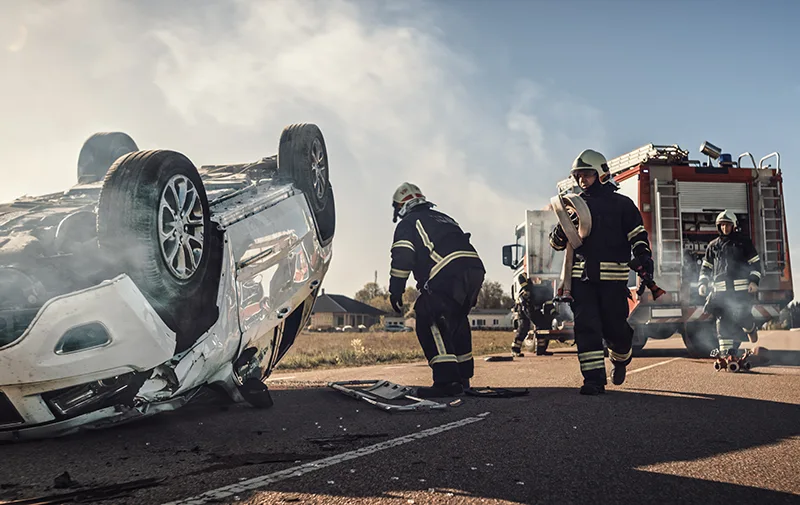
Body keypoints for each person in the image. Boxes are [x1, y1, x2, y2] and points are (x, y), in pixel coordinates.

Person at [548, 149, 653, 395]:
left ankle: (620, 359)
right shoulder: (573, 205)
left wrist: (643, 256)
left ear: (602, 174)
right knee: (587, 327)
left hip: (612, 281)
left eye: (587, 175)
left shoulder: (622, 204)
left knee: (615, 330)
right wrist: (563, 230)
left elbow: (637, 234)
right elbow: (556, 244)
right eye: (578, 176)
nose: (582, 181)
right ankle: (593, 380)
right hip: (581, 281)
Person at [388, 182, 485, 397]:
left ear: (401, 206)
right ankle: (463, 378)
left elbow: (403, 255)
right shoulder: (444, 217)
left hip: (447, 269)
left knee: (428, 314)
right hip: (474, 269)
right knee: (456, 319)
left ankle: (446, 381)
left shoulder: (409, 222)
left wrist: (396, 289)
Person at [698, 210, 762, 358]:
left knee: (742, 315)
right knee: (723, 320)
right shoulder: (713, 245)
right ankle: (726, 354)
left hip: (740, 291)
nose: (725, 228)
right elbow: (706, 267)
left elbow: (755, 264)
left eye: (728, 225)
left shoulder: (744, 242)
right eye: (722, 225)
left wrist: (753, 281)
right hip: (720, 292)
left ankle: (750, 328)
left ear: (734, 226)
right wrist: (703, 283)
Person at [511, 273, 555, 357]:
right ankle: (515, 350)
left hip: (534, 307)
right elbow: (521, 277)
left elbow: (549, 302)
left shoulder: (547, 286)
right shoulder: (528, 276)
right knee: (524, 326)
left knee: (542, 325)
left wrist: (553, 312)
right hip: (524, 305)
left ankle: (541, 350)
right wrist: (526, 288)